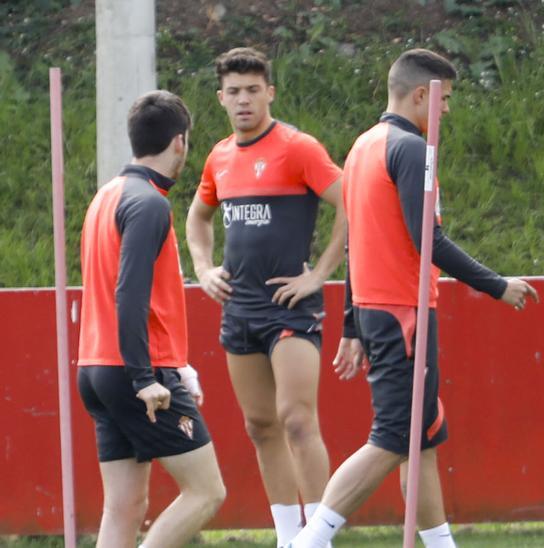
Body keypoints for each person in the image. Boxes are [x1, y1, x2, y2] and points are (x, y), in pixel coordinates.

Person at [287, 48, 538, 548]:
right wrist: (497, 286)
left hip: (384, 313)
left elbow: (360, 239)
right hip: (403, 314)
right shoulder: (410, 150)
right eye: (444, 101)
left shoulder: (362, 147)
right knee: (394, 437)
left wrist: (353, 325)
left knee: (421, 440)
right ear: (424, 94)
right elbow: (430, 241)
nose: (446, 111)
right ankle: (308, 541)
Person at [185, 46, 345, 546]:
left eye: (253, 90)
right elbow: (196, 219)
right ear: (221, 98)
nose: (244, 100)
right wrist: (204, 269)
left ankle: (318, 537)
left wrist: (319, 274)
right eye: (234, 92)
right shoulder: (219, 156)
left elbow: (352, 204)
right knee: (260, 425)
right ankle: (287, 536)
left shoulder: (298, 147)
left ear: (270, 92)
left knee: (297, 420)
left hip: (289, 308)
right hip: (239, 309)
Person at [78, 90, 226, 547]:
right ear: (180, 142)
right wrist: (146, 377)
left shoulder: (108, 195)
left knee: (125, 507)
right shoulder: (149, 203)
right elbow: (130, 294)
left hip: (97, 368)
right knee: (206, 491)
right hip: (133, 372)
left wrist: (175, 366)